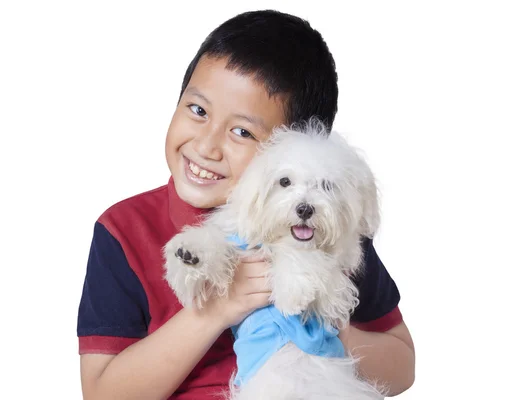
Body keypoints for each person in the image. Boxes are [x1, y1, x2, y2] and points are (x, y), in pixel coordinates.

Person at [77, 9, 415, 399]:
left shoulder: (328, 230)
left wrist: (329, 328)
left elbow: (402, 369)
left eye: (242, 131)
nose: (206, 146)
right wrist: (220, 308)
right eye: (198, 110)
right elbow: (102, 393)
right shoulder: (124, 228)